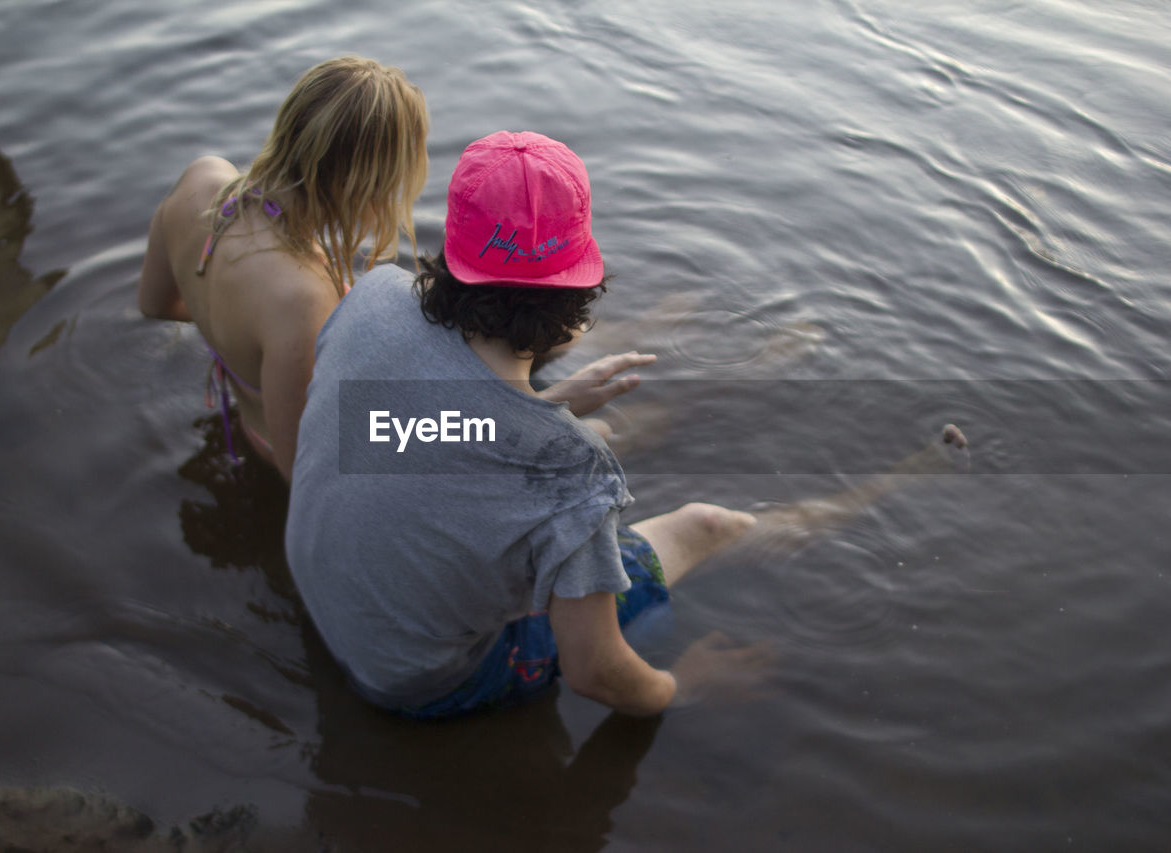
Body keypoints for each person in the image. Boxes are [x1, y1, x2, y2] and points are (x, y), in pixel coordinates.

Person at [286, 131, 964, 718]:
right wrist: (683, 685)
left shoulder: (371, 296)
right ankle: (890, 482)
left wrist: (546, 411)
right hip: (417, 683)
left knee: (592, 449)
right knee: (708, 523)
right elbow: (594, 670)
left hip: (329, 604)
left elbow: (389, 431)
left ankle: (748, 375)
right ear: (576, 292)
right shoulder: (570, 475)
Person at [137, 56, 429, 481]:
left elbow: (153, 304)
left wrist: (237, 336)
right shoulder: (301, 298)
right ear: (368, 184)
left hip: (248, 420)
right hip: (281, 456)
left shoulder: (202, 180)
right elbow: (304, 475)